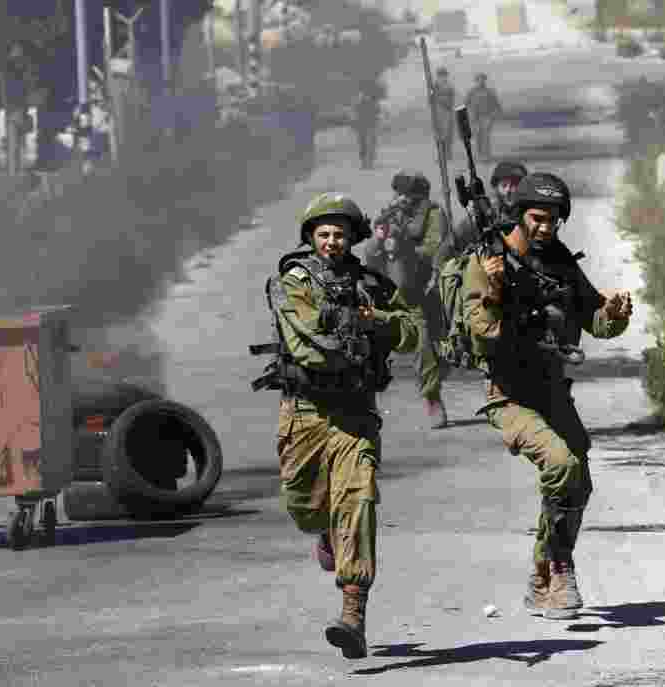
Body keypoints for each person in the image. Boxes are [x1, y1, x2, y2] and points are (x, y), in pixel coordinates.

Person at [460, 173, 634, 620]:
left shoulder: (557, 260)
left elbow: (593, 317)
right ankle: (560, 569)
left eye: (554, 220)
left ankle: (543, 576)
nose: (545, 227)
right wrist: (497, 291)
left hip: (553, 390)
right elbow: (481, 334)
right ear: (520, 214)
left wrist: (612, 314)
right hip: (510, 395)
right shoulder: (489, 260)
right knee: (561, 464)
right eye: (538, 218)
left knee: (578, 483)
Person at [258, 193, 421, 658]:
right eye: (324, 234)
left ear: (353, 239)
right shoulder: (293, 283)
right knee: (305, 507)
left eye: (340, 234)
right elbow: (308, 344)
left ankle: (353, 612)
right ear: (311, 238)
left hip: (355, 414)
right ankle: (327, 533)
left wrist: (378, 322)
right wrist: (357, 337)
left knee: (358, 500)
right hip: (305, 414)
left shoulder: (371, 284)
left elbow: (410, 330)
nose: (332, 242)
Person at [363, 170, 450, 428]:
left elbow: (436, 248)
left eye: (408, 194)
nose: (403, 199)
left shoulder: (434, 215)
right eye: (399, 193)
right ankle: (429, 397)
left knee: (436, 349)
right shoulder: (391, 216)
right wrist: (381, 239)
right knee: (419, 345)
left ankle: (433, 390)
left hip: (430, 291)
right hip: (400, 294)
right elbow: (371, 256)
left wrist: (406, 247)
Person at [436, 161, 528, 274]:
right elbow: (446, 250)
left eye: (514, 185)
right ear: (497, 188)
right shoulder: (485, 214)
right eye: (504, 185)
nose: (509, 190)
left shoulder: (532, 216)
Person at [464, 73, 502, 160]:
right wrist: (468, 115)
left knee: (485, 136)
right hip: (475, 118)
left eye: (482, 80)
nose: (480, 81)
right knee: (478, 136)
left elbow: (497, 105)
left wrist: (493, 115)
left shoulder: (489, 92)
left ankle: (486, 155)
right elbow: (465, 103)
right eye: (478, 80)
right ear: (476, 81)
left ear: (485, 81)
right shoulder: (471, 92)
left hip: (486, 117)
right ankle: (479, 155)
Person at [354, 79, 385, 170]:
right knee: (364, 144)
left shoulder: (371, 101)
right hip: (364, 125)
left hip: (370, 124)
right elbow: (357, 112)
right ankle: (365, 163)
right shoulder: (360, 101)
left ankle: (369, 162)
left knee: (370, 144)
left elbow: (377, 111)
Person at [432, 67, 456, 164]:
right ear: (438, 77)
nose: (442, 78)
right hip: (437, 113)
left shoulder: (449, 87)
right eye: (440, 76)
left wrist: (439, 98)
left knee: (447, 135)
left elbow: (450, 101)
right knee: (438, 135)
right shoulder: (434, 86)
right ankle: (441, 155)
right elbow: (430, 101)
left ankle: (447, 154)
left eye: (444, 76)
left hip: (446, 112)